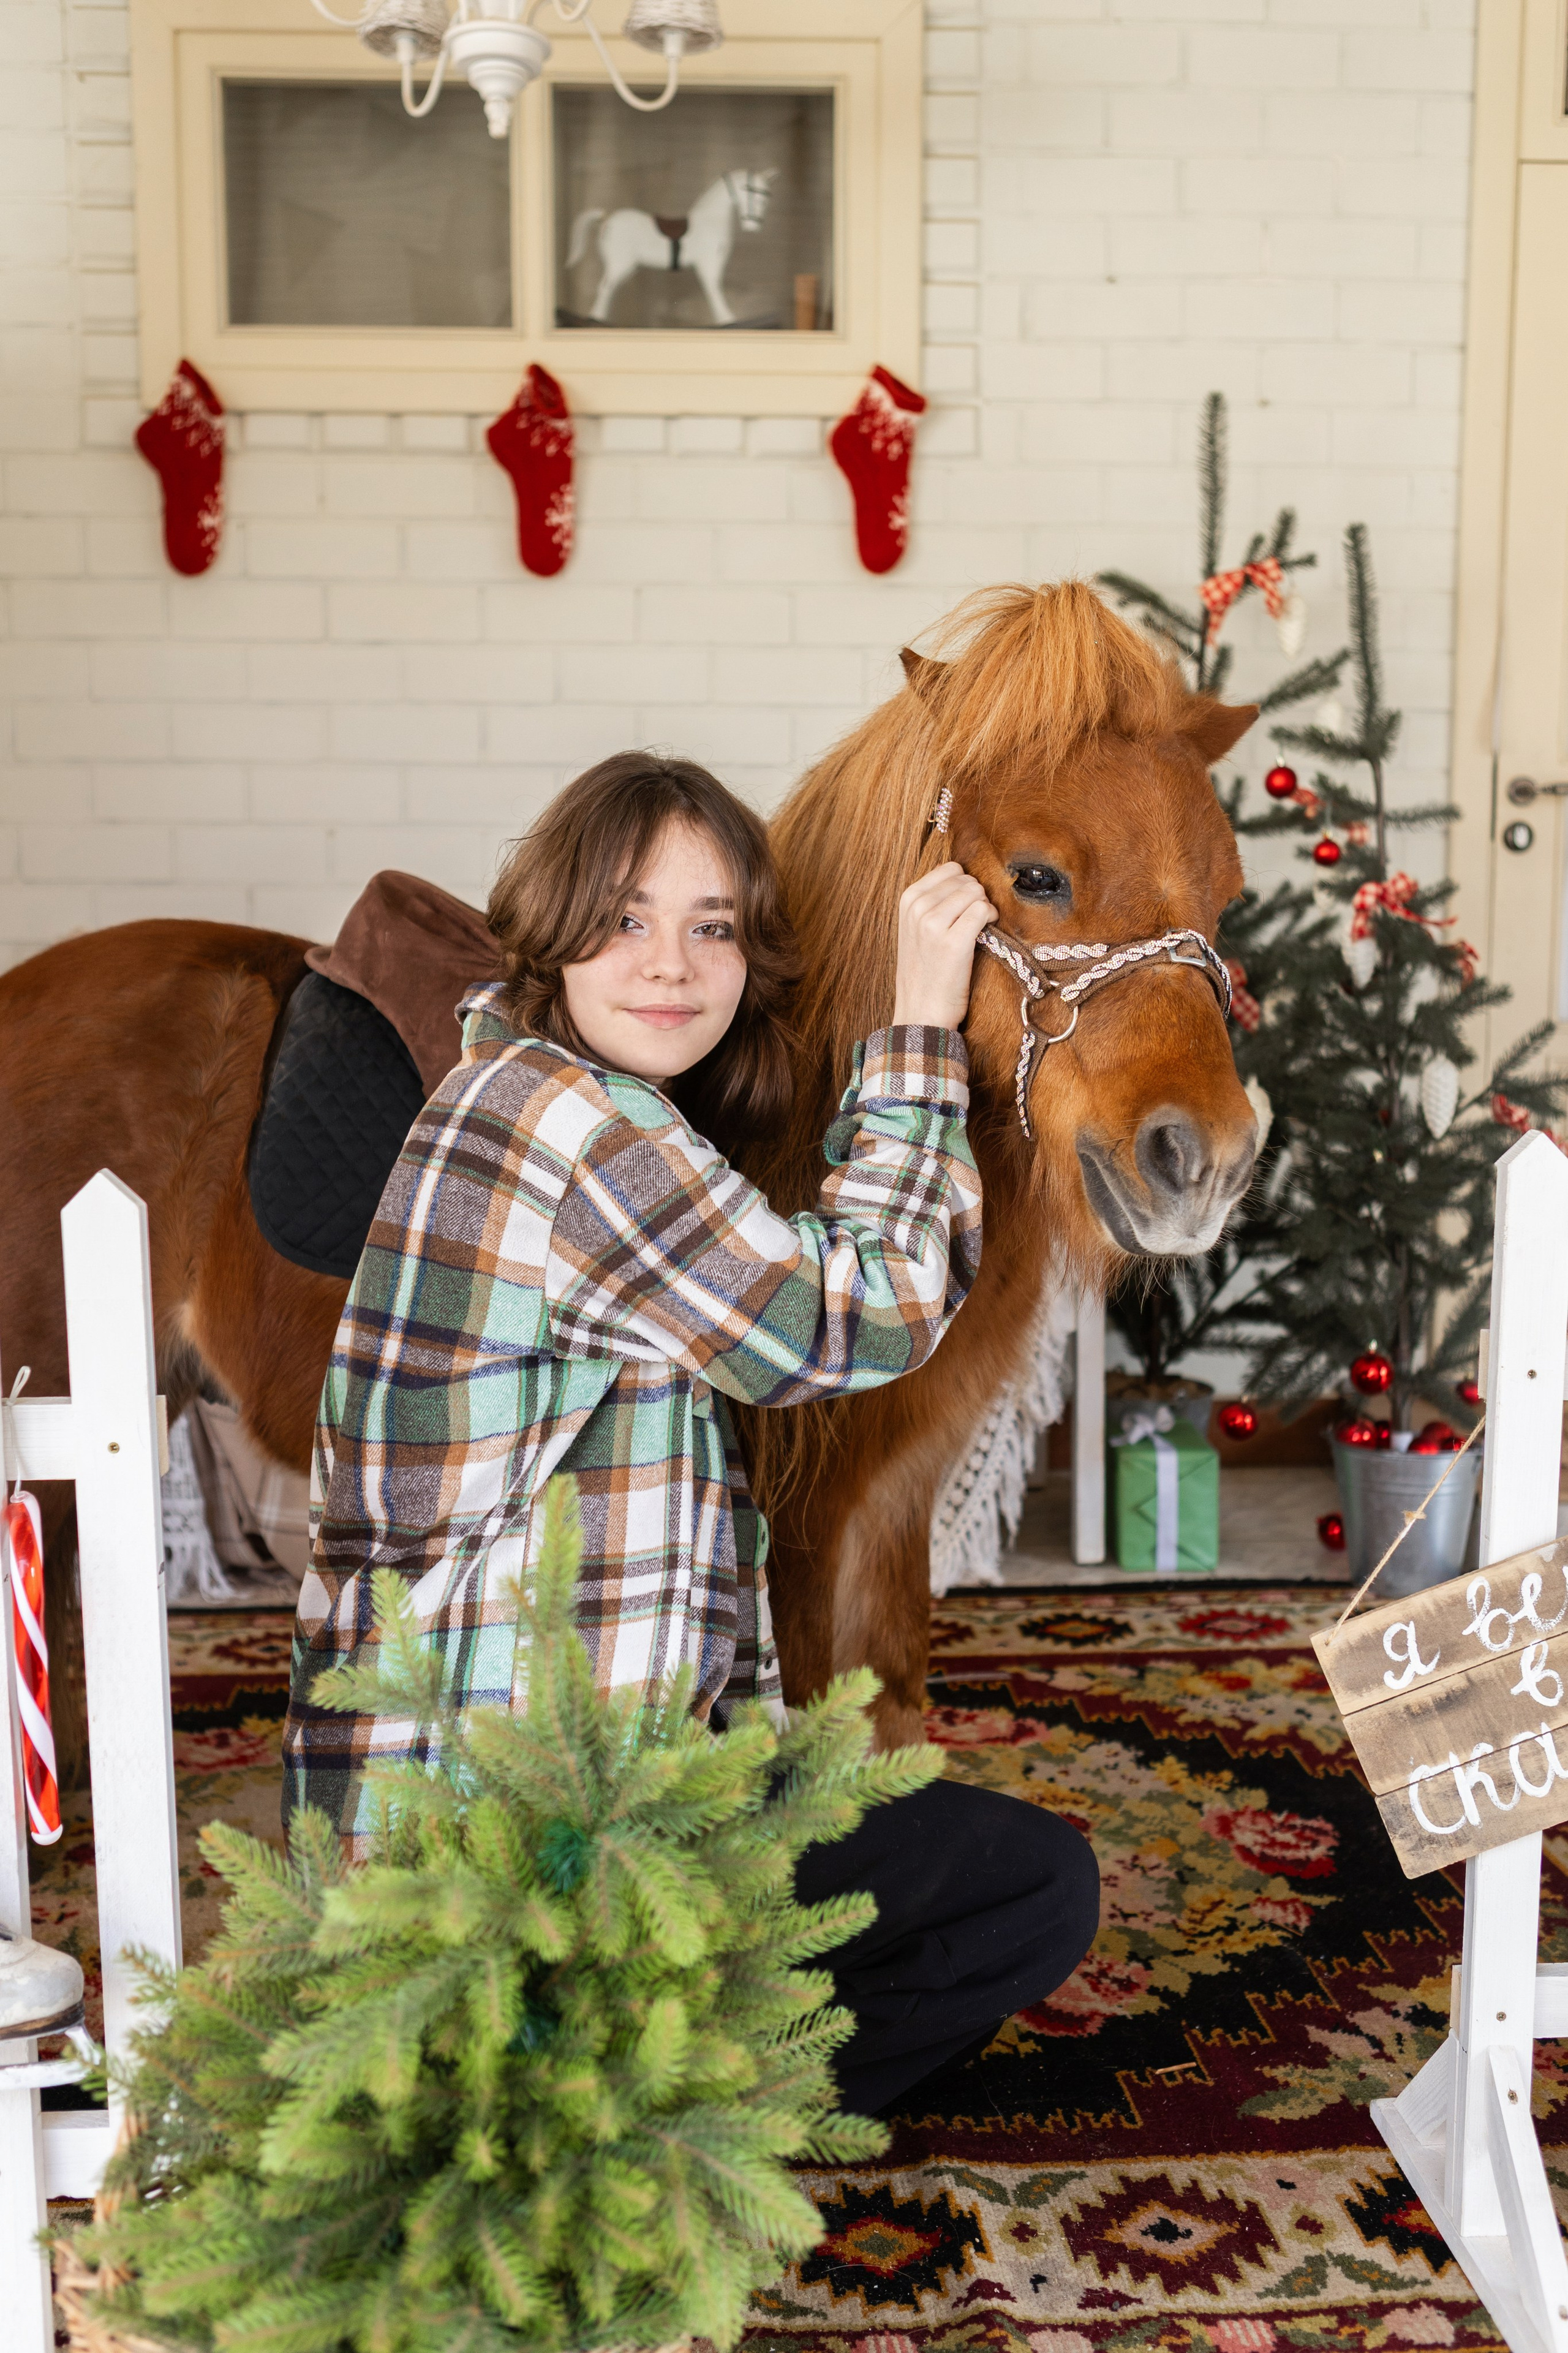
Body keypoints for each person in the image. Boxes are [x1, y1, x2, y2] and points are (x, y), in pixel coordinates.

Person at [281, 749, 1098, 2116]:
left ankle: (664, 2096)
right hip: (516, 1843)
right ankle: (663, 2127)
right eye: (625, 918)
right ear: (553, 932)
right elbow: (859, 1314)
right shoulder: (567, 1129)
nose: (671, 963)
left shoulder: (522, 1088)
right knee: (1032, 1888)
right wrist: (916, 1020)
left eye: (711, 926)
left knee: (966, 1871)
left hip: (566, 1787)